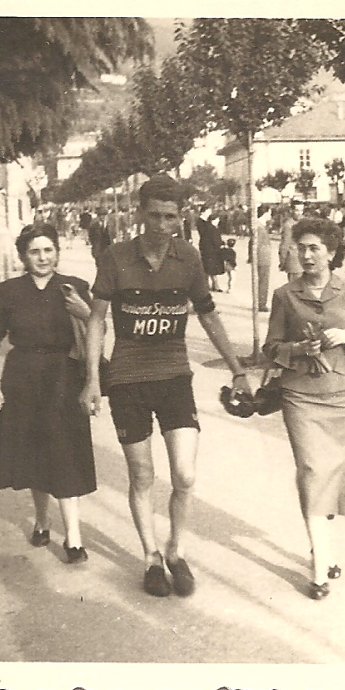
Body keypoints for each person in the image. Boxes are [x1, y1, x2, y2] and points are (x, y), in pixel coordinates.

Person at [79, 177, 252, 598]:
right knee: (142, 476)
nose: (161, 224)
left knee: (185, 475)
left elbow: (208, 315)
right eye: (153, 215)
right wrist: (91, 379)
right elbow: (98, 319)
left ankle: (176, 551)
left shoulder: (189, 258)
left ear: (181, 217)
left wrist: (238, 368)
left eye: (170, 217)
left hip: (175, 375)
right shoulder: (116, 257)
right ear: (140, 213)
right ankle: (152, 557)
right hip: (128, 379)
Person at [263, 217, 345, 600]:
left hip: (342, 390)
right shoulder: (284, 294)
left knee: (336, 471)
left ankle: (322, 545)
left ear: (332, 252)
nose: (306, 255)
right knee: (312, 469)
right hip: (300, 393)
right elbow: (271, 347)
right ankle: (319, 568)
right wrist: (297, 350)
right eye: (301, 247)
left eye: (314, 248)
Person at [0, 223, 96, 564]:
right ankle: (43, 520)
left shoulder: (74, 287)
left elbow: (97, 332)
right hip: (23, 377)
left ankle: (73, 537)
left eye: (48, 250)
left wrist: (86, 312)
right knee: (35, 452)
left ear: (57, 252)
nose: (43, 257)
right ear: (23, 256)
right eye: (35, 251)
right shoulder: (9, 291)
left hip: (65, 376)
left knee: (64, 453)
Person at [196, 202, 225, 292]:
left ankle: (212, 285)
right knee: (208, 266)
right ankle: (208, 285)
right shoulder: (201, 222)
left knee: (210, 266)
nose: (209, 213)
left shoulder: (208, 222)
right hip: (207, 247)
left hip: (209, 246)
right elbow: (206, 234)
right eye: (208, 211)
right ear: (204, 211)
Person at [251, 204, 274, 312]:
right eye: (269, 213)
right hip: (262, 257)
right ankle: (261, 303)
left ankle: (260, 302)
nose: (270, 215)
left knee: (262, 280)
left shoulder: (259, 225)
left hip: (262, 256)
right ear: (265, 213)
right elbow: (256, 243)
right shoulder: (259, 226)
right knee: (263, 281)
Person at [279, 199, 305, 281]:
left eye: (301, 210)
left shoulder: (305, 222)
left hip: (305, 261)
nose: (299, 213)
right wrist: (283, 262)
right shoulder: (288, 225)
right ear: (292, 210)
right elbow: (285, 245)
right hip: (294, 263)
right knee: (295, 289)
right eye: (297, 210)